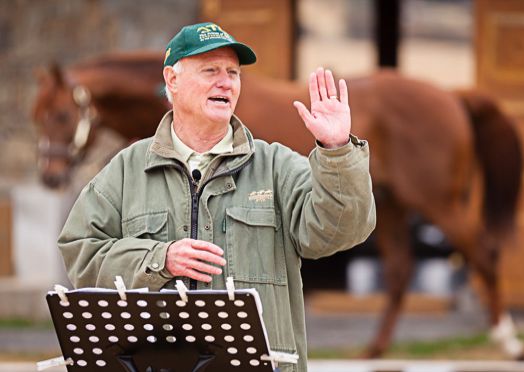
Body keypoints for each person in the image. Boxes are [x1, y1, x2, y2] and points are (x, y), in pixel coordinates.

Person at [58, 22, 375, 371]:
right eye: (210, 70)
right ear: (172, 81)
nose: (226, 82)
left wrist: (337, 151)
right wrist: (158, 259)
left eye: (233, 73)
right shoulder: (125, 170)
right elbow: (81, 251)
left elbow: (341, 231)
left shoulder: (277, 166)